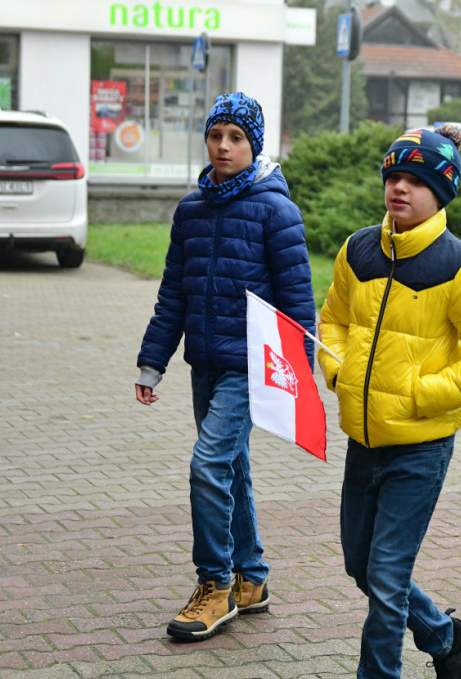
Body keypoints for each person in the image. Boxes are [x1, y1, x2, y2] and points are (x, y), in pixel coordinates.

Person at [318, 124, 461, 679]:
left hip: (421, 447)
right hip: (363, 439)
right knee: (361, 563)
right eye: (393, 176)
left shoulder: (460, 266)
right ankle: (445, 638)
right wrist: (337, 370)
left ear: (441, 190)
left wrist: (420, 394)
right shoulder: (357, 249)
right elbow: (331, 320)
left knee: (386, 576)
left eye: (416, 180)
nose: (400, 188)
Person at [135, 92, 315, 642]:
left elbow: (298, 305)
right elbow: (173, 294)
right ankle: (252, 579)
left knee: (207, 464)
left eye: (236, 137)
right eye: (216, 135)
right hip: (204, 365)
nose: (223, 146)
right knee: (231, 466)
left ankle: (214, 586)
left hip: (250, 367)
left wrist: (297, 378)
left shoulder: (275, 210)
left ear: (253, 144)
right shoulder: (191, 210)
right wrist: (152, 361)